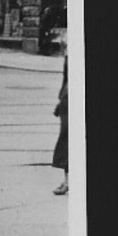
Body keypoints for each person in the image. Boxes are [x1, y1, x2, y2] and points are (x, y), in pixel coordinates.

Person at [52, 52, 68, 195]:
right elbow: (66, 77)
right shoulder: (69, 54)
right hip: (68, 99)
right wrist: (61, 99)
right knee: (67, 137)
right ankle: (67, 180)